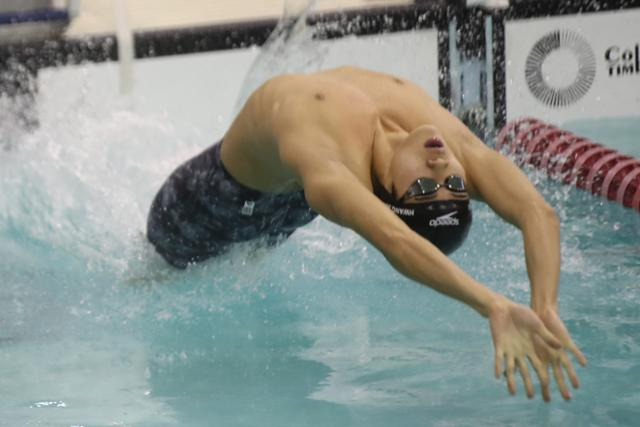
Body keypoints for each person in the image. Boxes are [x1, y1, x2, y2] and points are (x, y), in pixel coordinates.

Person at [147, 66, 587, 401]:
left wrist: (491, 305)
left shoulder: (332, 170)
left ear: (389, 197)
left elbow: (395, 240)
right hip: (249, 189)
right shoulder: (449, 146)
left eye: (422, 188)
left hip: (212, 207)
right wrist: (542, 305)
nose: (441, 170)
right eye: (455, 186)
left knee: (160, 281)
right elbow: (537, 211)